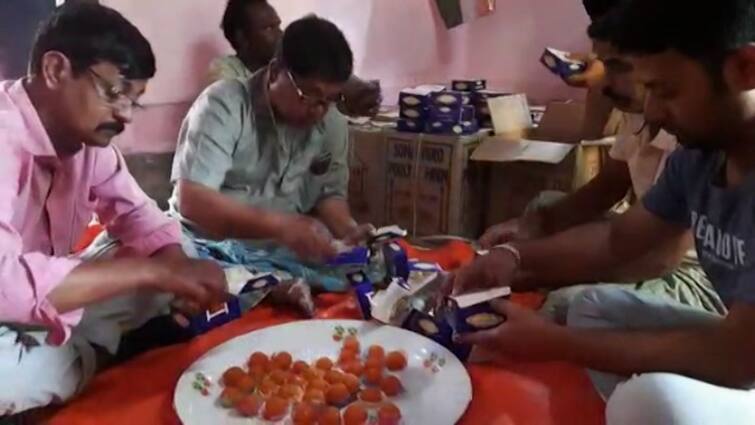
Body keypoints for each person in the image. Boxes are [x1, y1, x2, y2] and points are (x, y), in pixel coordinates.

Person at [451, 0, 755, 423]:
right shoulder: (699, 158)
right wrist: (514, 258)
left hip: (744, 353)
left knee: (650, 401)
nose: (651, 112)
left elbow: (740, 356)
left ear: (745, 69)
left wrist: (555, 342)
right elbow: (618, 241)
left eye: (667, 92)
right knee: (592, 309)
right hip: (738, 346)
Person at [0, 3, 227, 416]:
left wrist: (174, 269)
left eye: (134, 101)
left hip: (49, 300)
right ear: (55, 70)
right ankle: (85, 356)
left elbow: (141, 218)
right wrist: (154, 273)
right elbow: (4, 282)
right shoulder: (3, 135)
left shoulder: (86, 142)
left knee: (182, 253)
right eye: (114, 93)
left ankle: (66, 356)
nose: (124, 115)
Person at [479, 15, 724, 323]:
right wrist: (527, 238)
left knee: (569, 305)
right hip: (653, 248)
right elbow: (610, 190)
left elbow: (657, 257)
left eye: (618, 67)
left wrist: (532, 266)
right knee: (546, 209)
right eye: (601, 66)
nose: (603, 83)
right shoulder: (641, 114)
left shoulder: (696, 131)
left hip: (696, 278)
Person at [170, 15, 372, 289]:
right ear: (276, 72)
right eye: (308, 95)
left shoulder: (330, 120)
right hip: (210, 244)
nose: (319, 109)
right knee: (180, 272)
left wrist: (348, 231)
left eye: (330, 100)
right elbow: (193, 201)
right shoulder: (223, 105)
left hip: (276, 253)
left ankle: (268, 287)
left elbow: (328, 194)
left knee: (371, 272)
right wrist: (282, 227)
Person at [209, 0, 382, 117]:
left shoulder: (288, 67)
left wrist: (352, 96)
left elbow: (321, 110)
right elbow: (246, 113)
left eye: (278, 25)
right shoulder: (223, 71)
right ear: (242, 38)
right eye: (268, 28)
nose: (280, 34)